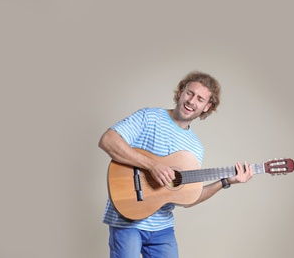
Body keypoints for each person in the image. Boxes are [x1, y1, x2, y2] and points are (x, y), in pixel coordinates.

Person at [98, 71, 253, 257]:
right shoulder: (149, 117)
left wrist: (225, 182)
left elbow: (188, 199)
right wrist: (152, 166)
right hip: (127, 219)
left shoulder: (195, 148)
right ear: (180, 92)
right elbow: (108, 140)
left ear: (206, 107)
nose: (192, 101)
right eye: (190, 93)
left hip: (163, 229)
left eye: (200, 99)